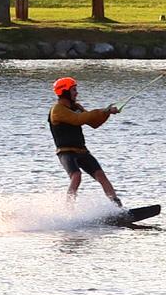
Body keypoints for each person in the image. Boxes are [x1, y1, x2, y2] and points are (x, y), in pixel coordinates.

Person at [48, 77, 123, 207]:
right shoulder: (57, 110)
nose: (76, 93)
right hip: (66, 152)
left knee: (101, 175)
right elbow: (78, 119)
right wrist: (103, 110)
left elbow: (94, 123)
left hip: (81, 150)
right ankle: (68, 208)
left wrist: (107, 113)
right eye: (74, 90)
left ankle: (117, 207)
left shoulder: (76, 107)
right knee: (76, 176)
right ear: (65, 92)